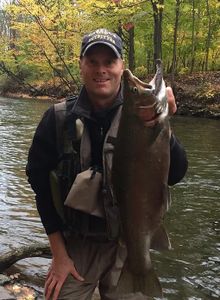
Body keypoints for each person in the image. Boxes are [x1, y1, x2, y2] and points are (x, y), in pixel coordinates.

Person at [26, 28, 188, 300]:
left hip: (130, 241)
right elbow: (40, 185)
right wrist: (58, 254)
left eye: (109, 62)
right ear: (81, 65)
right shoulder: (56, 120)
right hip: (78, 244)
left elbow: (177, 173)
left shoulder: (143, 116)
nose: (101, 70)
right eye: (93, 62)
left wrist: (163, 128)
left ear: (121, 66)